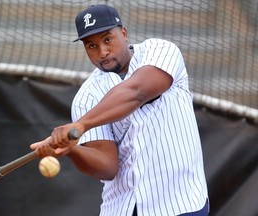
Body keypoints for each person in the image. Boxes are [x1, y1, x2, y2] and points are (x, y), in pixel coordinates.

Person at [30, 4, 209, 216]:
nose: (102, 52)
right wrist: (71, 150)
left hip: (180, 203)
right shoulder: (87, 97)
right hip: (123, 208)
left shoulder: (160, 51)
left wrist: (81, 126)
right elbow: (108, 167)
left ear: (123, 33)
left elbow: (136, 92)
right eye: (91, 46)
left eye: (107, 39)